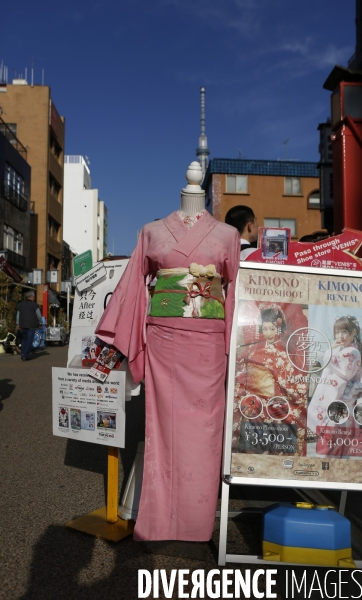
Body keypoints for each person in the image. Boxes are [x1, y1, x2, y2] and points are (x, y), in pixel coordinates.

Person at [95, 161, 240, 542]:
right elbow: (133, 286)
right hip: (164, 342)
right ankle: (158, 520)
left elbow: (236, 294)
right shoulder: (151, 231)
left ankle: (194, 522)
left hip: (209, 346)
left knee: (205, 432)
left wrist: (236, 348)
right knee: (160, 429)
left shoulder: (227, 234)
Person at [233, 303, 308, 456]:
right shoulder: (253, 348)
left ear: (279, 328)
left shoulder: (285, 352)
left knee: (274, 440)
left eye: (272, 329)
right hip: (255, 401)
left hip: (275, 400)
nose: (268, 333)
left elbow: (288, 378)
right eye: (265, 328)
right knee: (253, 441)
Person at [307, 315, 362, 453]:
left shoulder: (352, 352)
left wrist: (330, 352)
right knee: (331, 442)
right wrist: (331, 351)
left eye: (344, 332)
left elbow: (344, 374)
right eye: (337, 332)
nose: (340, 336)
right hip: (337, 400)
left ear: (353, 332)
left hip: (341, 401)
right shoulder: (340, 350)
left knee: (334, 444)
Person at [16, 291, 42, 361]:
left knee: (24, 340)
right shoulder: (34, 305)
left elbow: (18, 315)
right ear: (32, 297)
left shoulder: (21, 305)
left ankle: (23, 354)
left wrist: (18, 324)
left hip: (23, 325)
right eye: (34, 297)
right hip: (31, 325)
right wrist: (41, 322)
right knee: (29, 340)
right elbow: (39, 315)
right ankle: (25, 356)